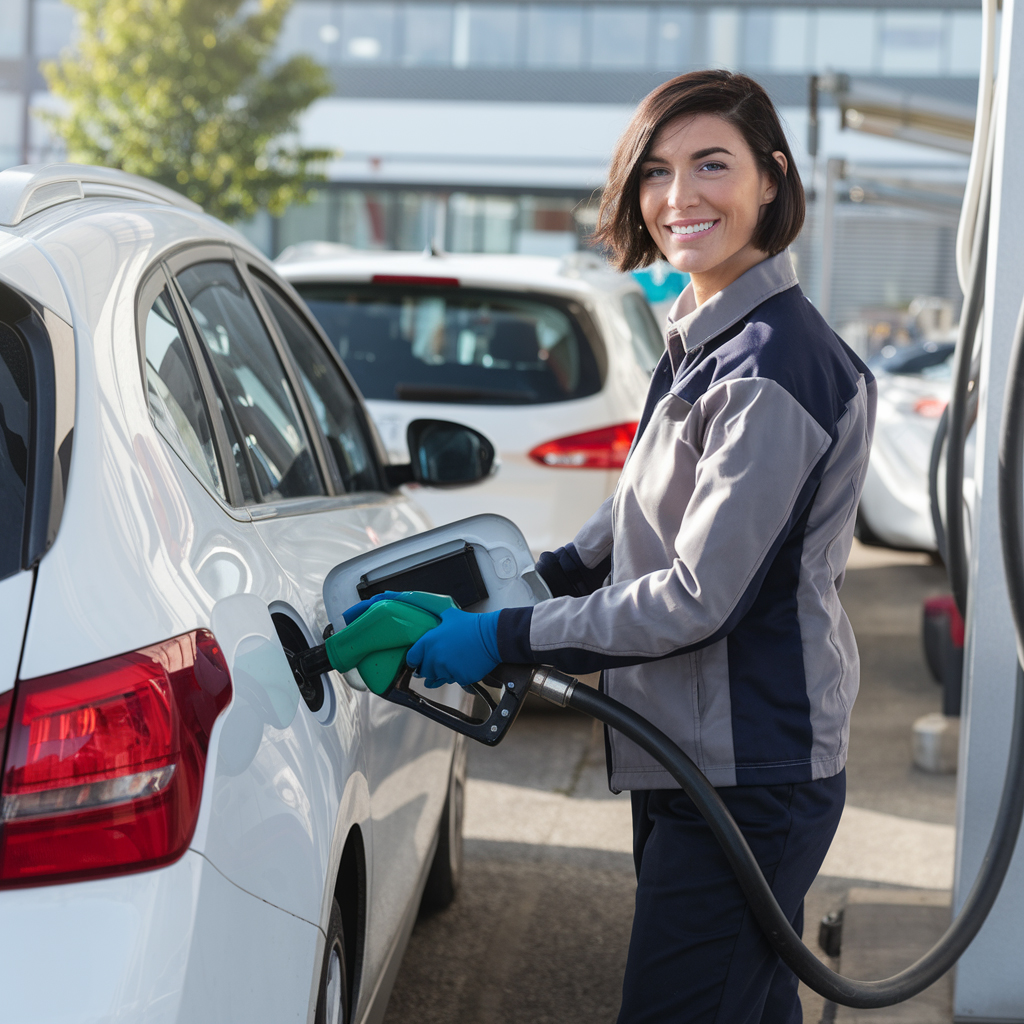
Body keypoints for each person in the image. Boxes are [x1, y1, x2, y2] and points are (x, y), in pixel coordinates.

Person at [347, 69, 876, 1023]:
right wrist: (512, 591)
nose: (680, 197)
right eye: (657, 171)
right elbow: (627, 522)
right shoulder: (712, 342)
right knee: (740, 1006)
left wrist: (505, 638)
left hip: (748, 770)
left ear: (772, 178)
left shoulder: (770, 368)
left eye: (712, 164)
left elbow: (692, 597)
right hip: (701, 757)